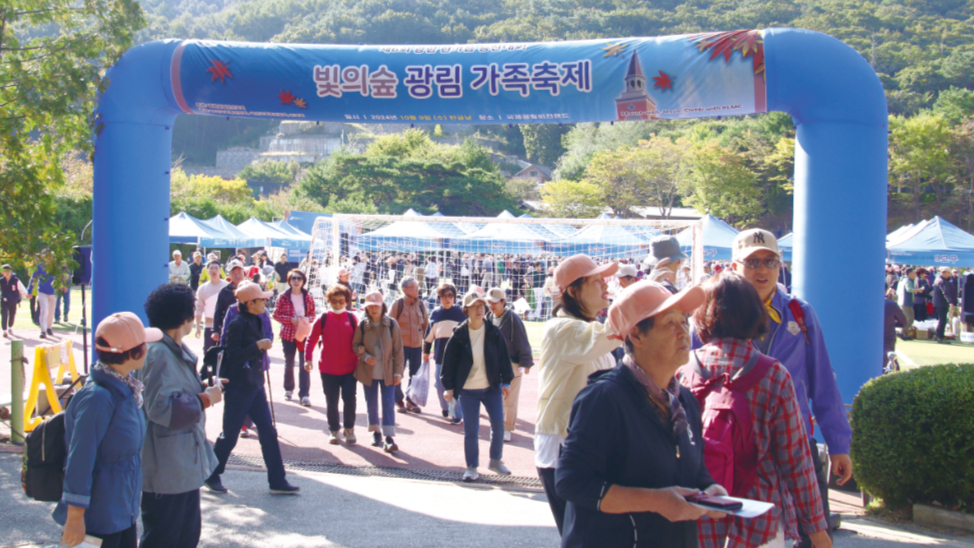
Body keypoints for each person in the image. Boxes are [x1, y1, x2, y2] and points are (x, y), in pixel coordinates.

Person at [555, 280, 723, 548]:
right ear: (636, 335)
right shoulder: (604, 399)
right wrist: (656, 501)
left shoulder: (685, 401)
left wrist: (710, 490)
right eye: (670, 323)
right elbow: (571, 482)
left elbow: (694, 469)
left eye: (684, 321)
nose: (683, 331)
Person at [725, 228, 852, 545]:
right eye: (752, 262)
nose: (762, 270)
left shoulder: (800, 312)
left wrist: (838, 444)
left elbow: (822, 382)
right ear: (733, 266)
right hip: (735, 447)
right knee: (740, 537)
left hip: (795, 446)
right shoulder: (715, 314)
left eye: (770, 261)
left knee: (811, 534)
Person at [688, 273, 831, 548]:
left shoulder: (684, 371)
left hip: (698, 511)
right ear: (756, 314)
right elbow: (796, 460)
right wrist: (816, 528)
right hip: (758, 514)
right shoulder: (774, 375)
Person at [55, 312, 162, 548]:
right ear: (133, 353)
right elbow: (80, 459)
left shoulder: (125, 389)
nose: (147, 348)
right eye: (143, 344)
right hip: (98, 518)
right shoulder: (98, 398)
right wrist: (74, 517)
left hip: (121, 511)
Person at [535, 254, 621, 534]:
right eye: (597, 281)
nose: (606, 285)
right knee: (584, 536)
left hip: (582, 444)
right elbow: (609, 334)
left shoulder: (583, 330)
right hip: (564, 445)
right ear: (573, 291)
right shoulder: (562, 328)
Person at [138, 283, 225, 548]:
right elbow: (162, 408)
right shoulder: (158, 353)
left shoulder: (172, 349)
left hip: (182, 465)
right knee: (165, 538)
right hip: (166, 470)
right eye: (193, 309)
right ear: (183, 318)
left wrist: (204, 389)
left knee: (185, 537)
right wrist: (205, 398)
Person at [205, 281, 298, 495]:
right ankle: (211, 473)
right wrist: (257, 346)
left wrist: (260, 347)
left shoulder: (256, 319)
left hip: (255, 384)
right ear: (249, 303)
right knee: (230, 435)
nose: (265, 301)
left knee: (268, 431)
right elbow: (233, 354)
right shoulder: (237, 324)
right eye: (261, 299)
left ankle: (277, 480)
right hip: (239, 387)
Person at [441, 290, 515, 482]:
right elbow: (448, 363)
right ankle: (472, 467)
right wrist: (449, 388)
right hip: (468, 390)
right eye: (474, 307)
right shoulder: (459, 334)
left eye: (481, 306)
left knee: (498, 424)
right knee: (471, 431)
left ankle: (495, 460)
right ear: (466, 310)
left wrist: (506, 381)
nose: (479, 310)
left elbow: (503, 358)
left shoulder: (492, 331)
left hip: (491, 388)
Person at [306, 285, 359, 444]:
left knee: (349, 399)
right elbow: (311, 341)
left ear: (347, 301)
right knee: (331, 401)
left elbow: (360, 340)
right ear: (329, 301)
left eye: (341, 301)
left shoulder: (352, 318)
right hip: (328, 369)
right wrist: (307, 359)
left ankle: (349, 430)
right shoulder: (322, 318)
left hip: (350, 369)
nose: (338, 304)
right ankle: (334, 431)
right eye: (334, 301)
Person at [353, 291, 404, 452]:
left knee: (388, 403)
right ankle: (375, 432)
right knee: (371, 403)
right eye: (370, 306)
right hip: (369, 372)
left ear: (383, 307)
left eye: (377, 306)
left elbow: (398, 351)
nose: (374, 309)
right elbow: (355, 345)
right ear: (366, 309)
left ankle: (389, 437)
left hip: (388, 372)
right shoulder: (362, 325)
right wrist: (364, 356)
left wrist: (398, 372)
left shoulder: (392, 324)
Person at [485, 287, 534, 442]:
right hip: (492, 366)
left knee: (509, 400)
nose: (491, 305)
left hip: (512, 364)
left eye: (495, 302)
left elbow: (522, 341)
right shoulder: (487, 318)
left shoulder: (513, 319)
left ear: (503, 302)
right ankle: (496, 425)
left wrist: (525, 362)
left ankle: (506, 428)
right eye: (489, 302)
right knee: (493, 398)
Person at [424, 283, 468, 423]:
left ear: (454, 297)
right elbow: (429, 334)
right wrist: (426, 352)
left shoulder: (461, 313)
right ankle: (445, 406)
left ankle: (456, 414)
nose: (447, 298)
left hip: (459, 357)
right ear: (439, 298)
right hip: (440, 356)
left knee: (457, 384)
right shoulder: (436, 313)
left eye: (450, 295)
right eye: (444, 296)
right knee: (440, 382)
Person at [272, 269, 316, 406]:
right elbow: (276, 315)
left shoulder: (308, 296)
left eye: (299, 278)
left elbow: (313, 314)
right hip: (288, 335)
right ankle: (288, 389)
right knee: (289, 364)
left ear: (303, 281)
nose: (296, 281)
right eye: (293, 278)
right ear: (289, 281)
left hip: (302, 335)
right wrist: (290, 320)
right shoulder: (282, 297)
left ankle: (304, 394)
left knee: (304, 365)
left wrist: (305, 320)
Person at [390, 276, 429, 413]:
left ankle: (411, 400)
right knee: (397, 373)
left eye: (418, 287)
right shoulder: (398, 304)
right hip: (400, 346)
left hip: (417, 346)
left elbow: (425, 326)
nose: (417, 290)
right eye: (414, 287)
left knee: (415, 374)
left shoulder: (421, 304)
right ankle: (398, 400)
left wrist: (427, 346)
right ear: (405, 289)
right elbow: (389, 325)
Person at [195, 261, 229, 354]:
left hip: (225, 325)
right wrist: (197, 327)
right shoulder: (202, 288)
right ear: (207, 271)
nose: (214, 270)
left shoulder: (227, 286)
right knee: (209, 354)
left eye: (216, 268)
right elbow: (199, 308)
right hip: (209, 325)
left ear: (220, 270)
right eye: (211, 268)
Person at [211, 259, 246, 346]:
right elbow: (218, 311)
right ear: (229, 275)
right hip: (229, 328)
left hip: (248, 328)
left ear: (243, 272)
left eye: (239, 272)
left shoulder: (252, 288)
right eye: (234, 273)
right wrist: (215, 330)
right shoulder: (224, 291)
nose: (237, 275)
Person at [29, 261, 56, 339]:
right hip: (42, 291)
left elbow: (62, 276)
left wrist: (64, 285)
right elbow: (34, 279)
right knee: (44, 310)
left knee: (51, 311)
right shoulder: (39, 266)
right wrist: (29, 290)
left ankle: (48, 327)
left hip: (53, 291)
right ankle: (43, 330)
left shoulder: (56, 265)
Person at [933, 266, 959, 344]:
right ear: (945, 272)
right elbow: (945, 292)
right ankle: (940, 337)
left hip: (938, 303)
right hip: (941, 303)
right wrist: (950, 302)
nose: (950, 275)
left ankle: (937, 335)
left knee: (941, 319)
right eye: (949, 273)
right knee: (943, 320)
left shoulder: (938, 279)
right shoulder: (941, 281)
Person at [884, 291, 907, 371]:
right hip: (887, 337)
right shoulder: (891, 304)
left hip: (867, 339)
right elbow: (903, 322)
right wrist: (891, 323)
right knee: (890, 363)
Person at [896, 268, 920, 338]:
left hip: (901, 301)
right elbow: (909, 289)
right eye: (914, 272)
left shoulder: (902, 280)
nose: (915, 274)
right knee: (910, 319)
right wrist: (919, 290)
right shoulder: (908, 281)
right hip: (906, 302)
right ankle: (902, 332)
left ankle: (905, 334)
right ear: (910, 273)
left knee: (906, 319)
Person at [1, 264, 23, 338]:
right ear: (2, 272)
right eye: (5, 271)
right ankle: (4, 330)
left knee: (12, 314)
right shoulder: (1, 281)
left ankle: (10, 326)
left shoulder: (15, 280)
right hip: (4, 300)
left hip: (13, 300)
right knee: (4, 314)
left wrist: (26, 295)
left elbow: (21, 289)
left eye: (9, 271)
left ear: (11, 272)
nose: (7, 273)